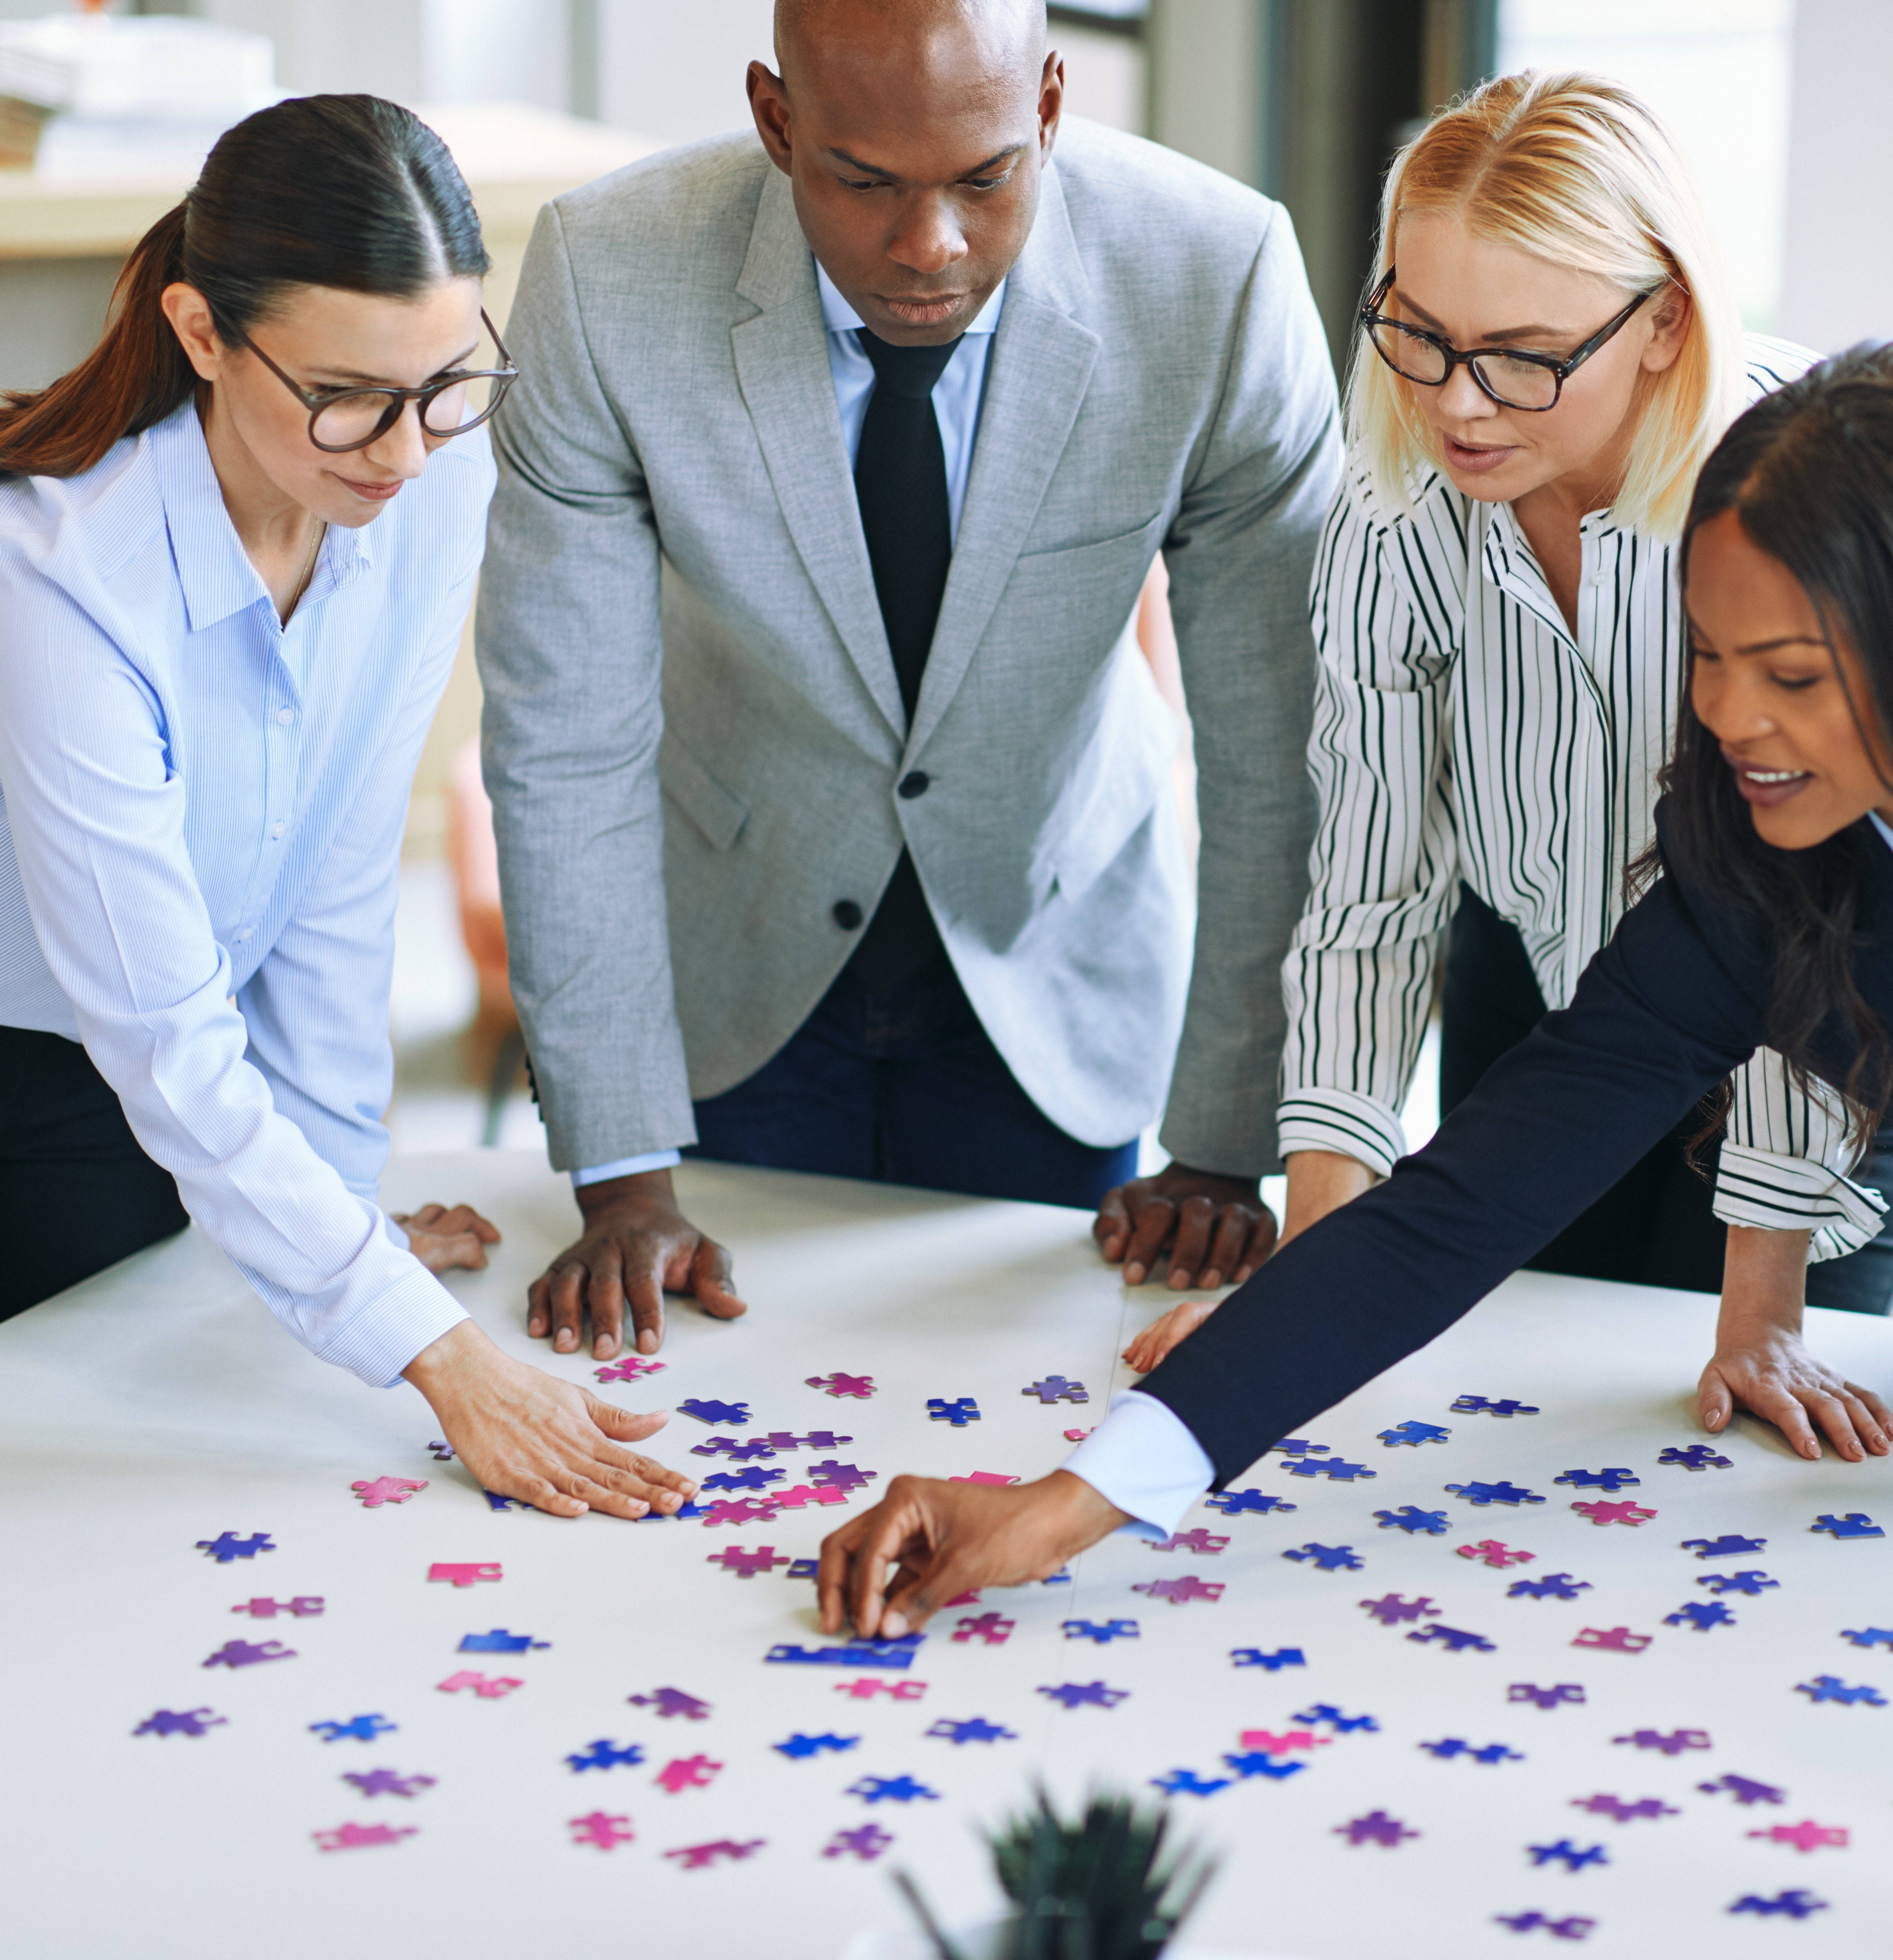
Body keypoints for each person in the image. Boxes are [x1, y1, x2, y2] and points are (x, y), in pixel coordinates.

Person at [813, 340, 1893, 1630]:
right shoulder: (1750, 880)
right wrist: (1064, 1502)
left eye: (1789, 671)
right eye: (1708, 657)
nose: (1725, 717)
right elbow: (1449, 1214)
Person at [0, 96, 693, 1519]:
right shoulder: (55, 561)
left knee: (99, 1471)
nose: (401, 450)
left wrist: (343, 1215)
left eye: (445, 380)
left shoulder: (425, 490)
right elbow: (165, 1026)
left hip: (85, 1068)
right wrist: (442, 1358)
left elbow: (333, 873)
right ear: (203, 334)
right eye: (345, 393)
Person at [479, 0, 1337, 1363]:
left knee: (1038, 1417)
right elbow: (561, 740)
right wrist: (622, 1169)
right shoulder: (605, 275)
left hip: (1056, 961)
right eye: (864, 181)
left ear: (1051, 104)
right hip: (728, 977)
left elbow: (1277, 746)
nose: (929, 247)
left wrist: (1228, 1141)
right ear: (776, 120)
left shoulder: (1216, 275)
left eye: (986, 179)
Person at [1116, 72, 1893, 1466]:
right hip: (1553, 1022)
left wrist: (1762, 1310)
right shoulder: (1393, 509)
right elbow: (1370, 902)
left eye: (1523, 354)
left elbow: (1828, 922)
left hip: (1821, 1041)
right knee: (1515, 1443)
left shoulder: (1811, 492)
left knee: (1728, 1473)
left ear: (1666, 316)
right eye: (1420, 338)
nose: (1459, 403)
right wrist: (1307, 1304)